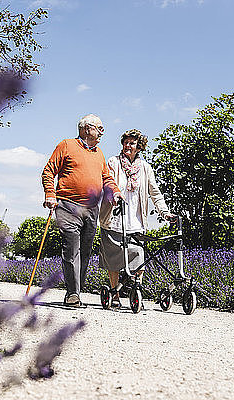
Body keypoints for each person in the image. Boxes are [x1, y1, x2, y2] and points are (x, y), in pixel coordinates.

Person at [42, 114, 123, 308]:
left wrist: (116, 192)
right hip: (68, 205)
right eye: (100, 128)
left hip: (91, 209)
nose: (103, 132)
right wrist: (50, 194)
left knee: (85, 252)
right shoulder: (67, 145)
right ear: (87, 129)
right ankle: (72, 294)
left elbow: (106, 178)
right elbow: (48, 171)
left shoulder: (99, 153)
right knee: (71, 249)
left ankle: (77, 291)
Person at [99, 129, 175, 309]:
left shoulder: (145, 168)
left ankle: (136, 288)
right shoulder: (113, 162)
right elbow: (106, 184)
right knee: (114, 258)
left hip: (136, 220)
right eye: (125, 142)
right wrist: (113, 196)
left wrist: (165, 212)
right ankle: (115, 293)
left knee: (138, 254)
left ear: (139, 147)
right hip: (114, 218)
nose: (127, 145)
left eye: (132, 143)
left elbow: (155, 193)